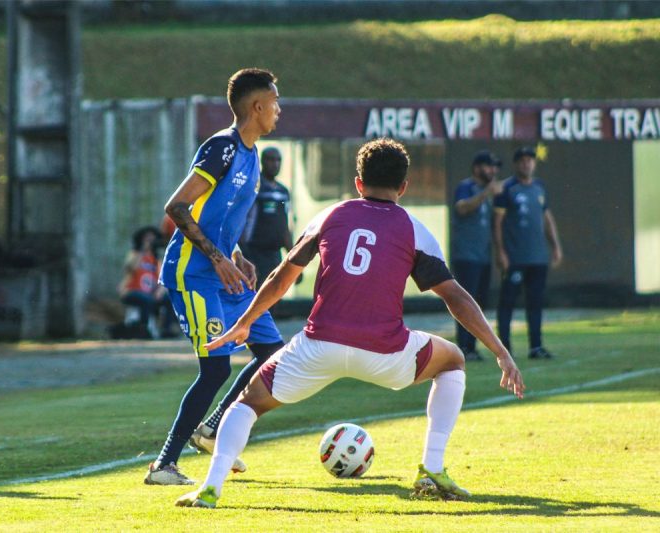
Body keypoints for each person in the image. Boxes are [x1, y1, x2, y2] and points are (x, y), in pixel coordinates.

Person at [175, 138, 525, 509]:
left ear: (358, 182)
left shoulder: (331, 215)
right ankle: (432, 468)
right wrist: (501, 351)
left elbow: (281, 277)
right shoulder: (415, 229)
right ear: (403, 187)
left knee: (247, 404)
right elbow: (456, 298)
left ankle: (211, 488)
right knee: (453, 359)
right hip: (386, 353)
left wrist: (245, 323)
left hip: (317, 348)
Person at [144, 68, 285, 485]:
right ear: (257, 107)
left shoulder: (253, 152)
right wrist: (217, 258)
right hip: (193, 275)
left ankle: (211, 430)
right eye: (275, 102)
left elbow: (218, 216)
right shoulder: (221, 148)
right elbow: (178, 207)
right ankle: (164, 465)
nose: (279, 110)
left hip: (226, 274)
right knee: (216, 370)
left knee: (272, 355)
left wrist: (236, 255)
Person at [493, 146, 563, 360]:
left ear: (534, 163)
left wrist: (555, 246)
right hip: (515, 258)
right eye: (522, 160)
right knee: (508, 303)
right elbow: (497, 222)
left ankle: (536, 346)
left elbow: (546, 218)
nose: (526, 164)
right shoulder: (507, 189)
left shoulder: (539, 188)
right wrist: (501, 252)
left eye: (530, 160)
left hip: (537, 258)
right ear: (516, 164)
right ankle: (504, 349)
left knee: (535, 303)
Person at [449, 150, 503, 362]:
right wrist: (485, 194)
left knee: (479, 304)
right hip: (466, 256)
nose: (493, 171)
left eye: (494, 167)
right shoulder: (467, 187)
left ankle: (471, 347)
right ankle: (463, 346)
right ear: (477, 167)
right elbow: (462, 208)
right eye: (489, 166)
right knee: (465, 303)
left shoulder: (487, 192)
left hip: (483, 256)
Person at [240, 146, 293, 287]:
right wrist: (246, 256)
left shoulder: (283, 191)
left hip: (275, 255)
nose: (275, 164)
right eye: (271, 159)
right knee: (255, 298)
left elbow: (285, 225)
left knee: (274, 298)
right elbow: (242, 222)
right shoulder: (254, 187)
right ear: (262, 161)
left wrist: (293, 258)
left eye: (278, 160)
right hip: (254, 254)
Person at [114, 226, 176, 339]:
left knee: (169, 299)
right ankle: (143, 330)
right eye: (147, 239)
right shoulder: (134, 254)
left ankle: (166, 330)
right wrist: (143, 251)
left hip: (150, 294)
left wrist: (159, 292)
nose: (150, 241)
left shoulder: (156, 259)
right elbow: (131, 268)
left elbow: (163, 278)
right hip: (131, 291)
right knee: (146, 300)